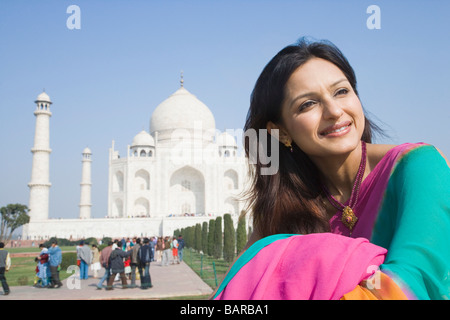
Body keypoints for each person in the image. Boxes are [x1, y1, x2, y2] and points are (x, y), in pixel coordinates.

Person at [214, 37, 450, 300]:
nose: (335, 111)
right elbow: (236, 288)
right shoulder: (284, 207)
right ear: (279, 132)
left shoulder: (418, 168)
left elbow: (412, 283)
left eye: (341, 91)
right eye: (308, 104)